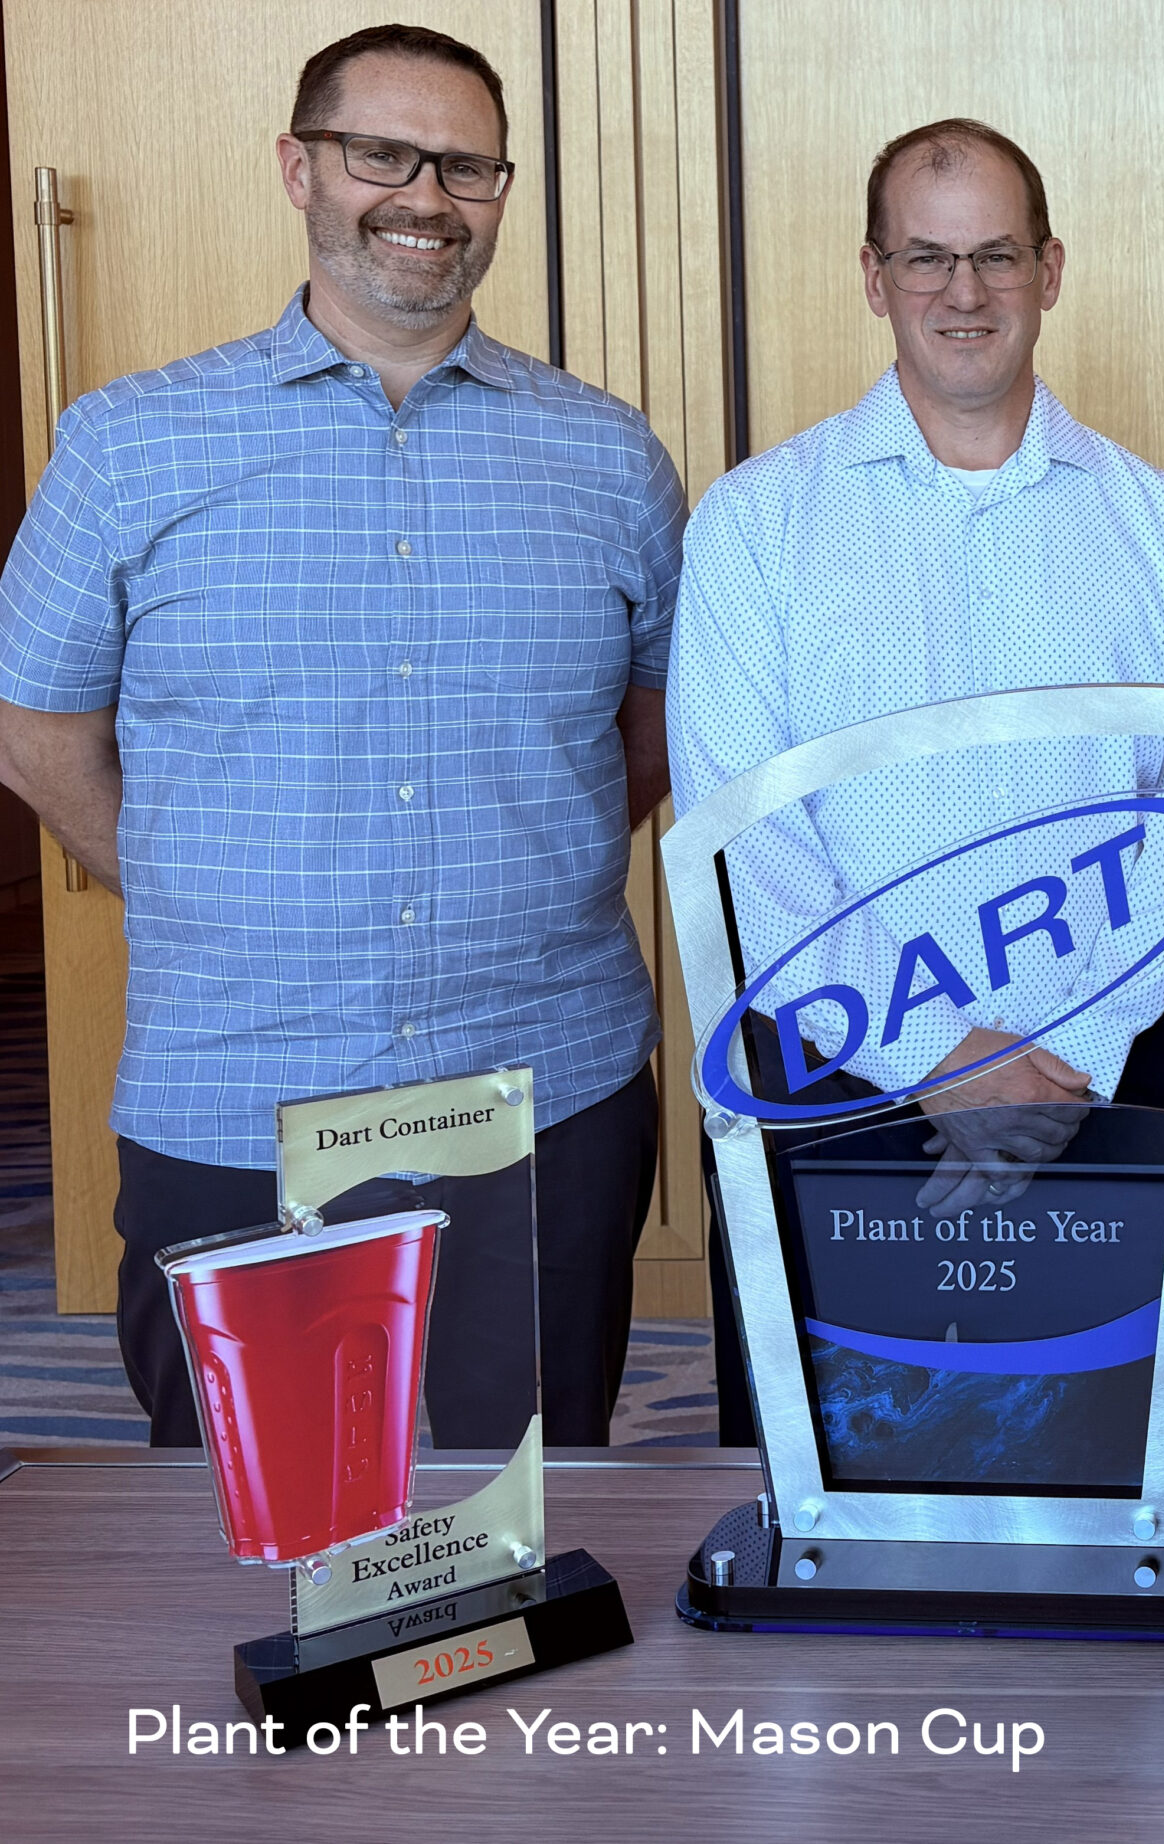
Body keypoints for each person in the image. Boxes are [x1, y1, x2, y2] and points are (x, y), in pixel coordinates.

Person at [0, 25, 686, 1447]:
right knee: (257, 1522)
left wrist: (527, 858)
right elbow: (35, 733)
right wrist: (195, 889)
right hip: (239, 1086)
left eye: (467, 167)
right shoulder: (129, 444)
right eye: (382, 154)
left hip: (541, 1077)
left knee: (519, 1509)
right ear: (298, 167)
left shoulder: (609, 457)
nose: (425, 197)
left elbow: (655, 726)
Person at [667, 118, 1164, 1443]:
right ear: (874, 277)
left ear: (1051, 269)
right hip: (831, 1077)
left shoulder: (1160, 527)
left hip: (1096, 1081)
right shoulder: (758, 523)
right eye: (926, 258)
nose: (963, 290)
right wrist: (936, 1056)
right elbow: (745, 838)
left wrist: (1064, 1057)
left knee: (1106, 1473)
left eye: (996, 255)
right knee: (833, 1495)